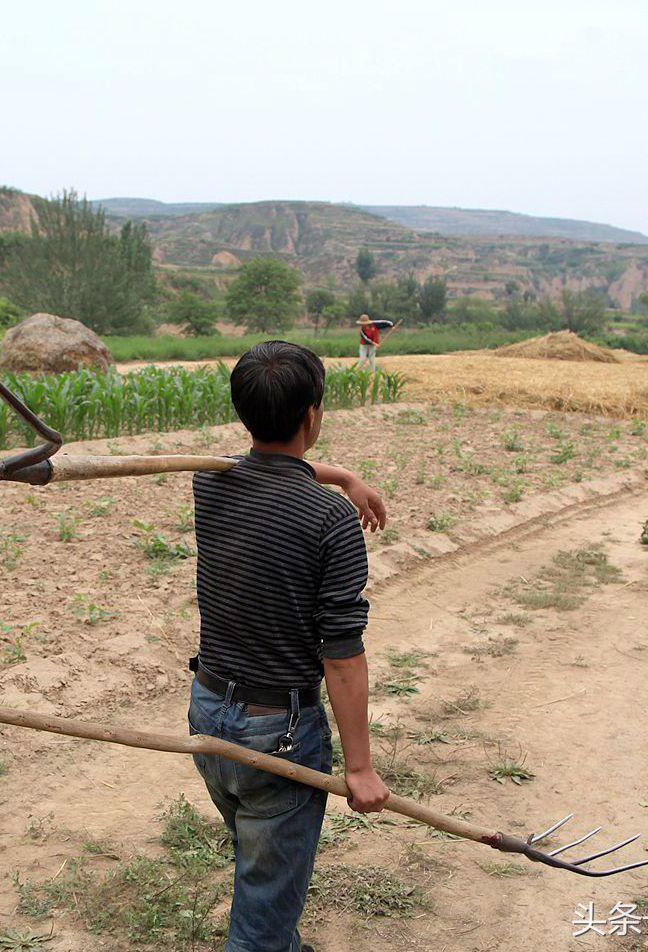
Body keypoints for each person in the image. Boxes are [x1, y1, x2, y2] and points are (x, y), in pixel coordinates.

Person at [188, 340, 390, 952]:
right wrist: (359, 767)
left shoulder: (208, 483)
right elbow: (341, 656)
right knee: (265, 904)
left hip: (208, 714)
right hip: (277, 733)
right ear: (313, 417)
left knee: (261, 861)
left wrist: (347, 477)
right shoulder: (329, 521)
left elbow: (253, 466)